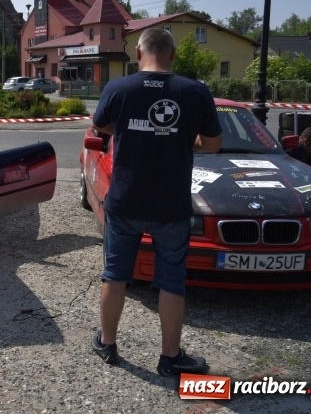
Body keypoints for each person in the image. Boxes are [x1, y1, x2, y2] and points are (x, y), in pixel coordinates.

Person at [90, 27, 222, 376]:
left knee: (115, 275)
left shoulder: (118, 88)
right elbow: (212, 145)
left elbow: (100, 126)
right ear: (173, 55)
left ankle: (107, 342)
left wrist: (133, 129)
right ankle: (170, 357)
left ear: (137, 52)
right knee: (171, 281)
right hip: (171, 204)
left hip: (125, 200)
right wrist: (181, 137)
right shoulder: (195, 91)